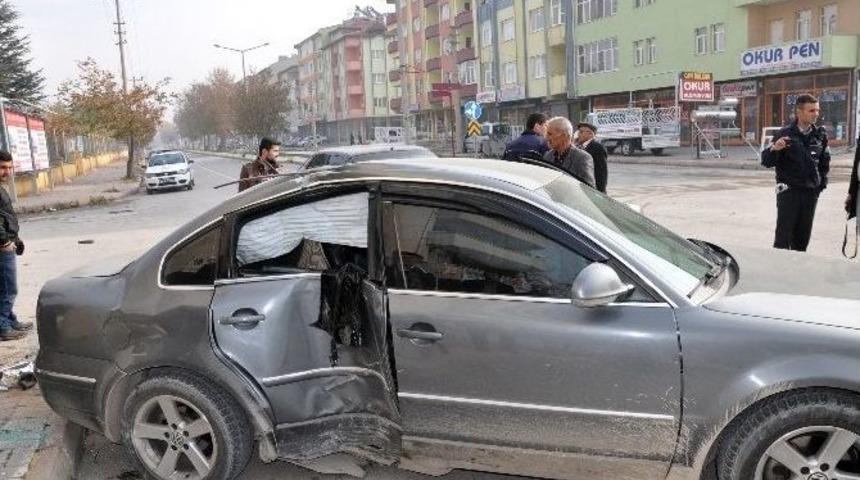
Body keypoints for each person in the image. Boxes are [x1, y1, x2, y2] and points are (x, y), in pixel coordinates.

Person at [761, 94, 831, 252]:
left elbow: (824, 164)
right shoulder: (785, 134)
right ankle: (780, 273)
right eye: (811, 110)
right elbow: (766, 161)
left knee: (802, 239)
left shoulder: (820, 136)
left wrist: (820, 186)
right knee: (783, 240)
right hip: (789, 193)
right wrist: (774, 149)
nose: (816, 114)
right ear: (799, 112)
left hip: (810, 194)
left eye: (817, 110)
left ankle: (797, 271)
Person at [0, 150, 32, 341]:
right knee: (8, 288)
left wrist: (16, 239)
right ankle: (3, 326)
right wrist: (4, 241)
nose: (7, 172)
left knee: (4, 288)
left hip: (7, 242)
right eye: (3, 167)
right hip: (2, 247)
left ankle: (9, 319)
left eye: (10, 167)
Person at [543, 117, 596, 188]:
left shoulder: (582, 158)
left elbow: (589, 190)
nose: (546, 137)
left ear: (564, 135)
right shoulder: (547, 156)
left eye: (550, 134)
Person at [576, 121, 608, 193]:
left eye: (581, 132)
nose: (578, 134)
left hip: (593, 188)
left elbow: (601, 172)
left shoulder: (597, 147)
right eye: (579, 132)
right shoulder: (580, 146)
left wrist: (600, 191)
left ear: (590, 134)